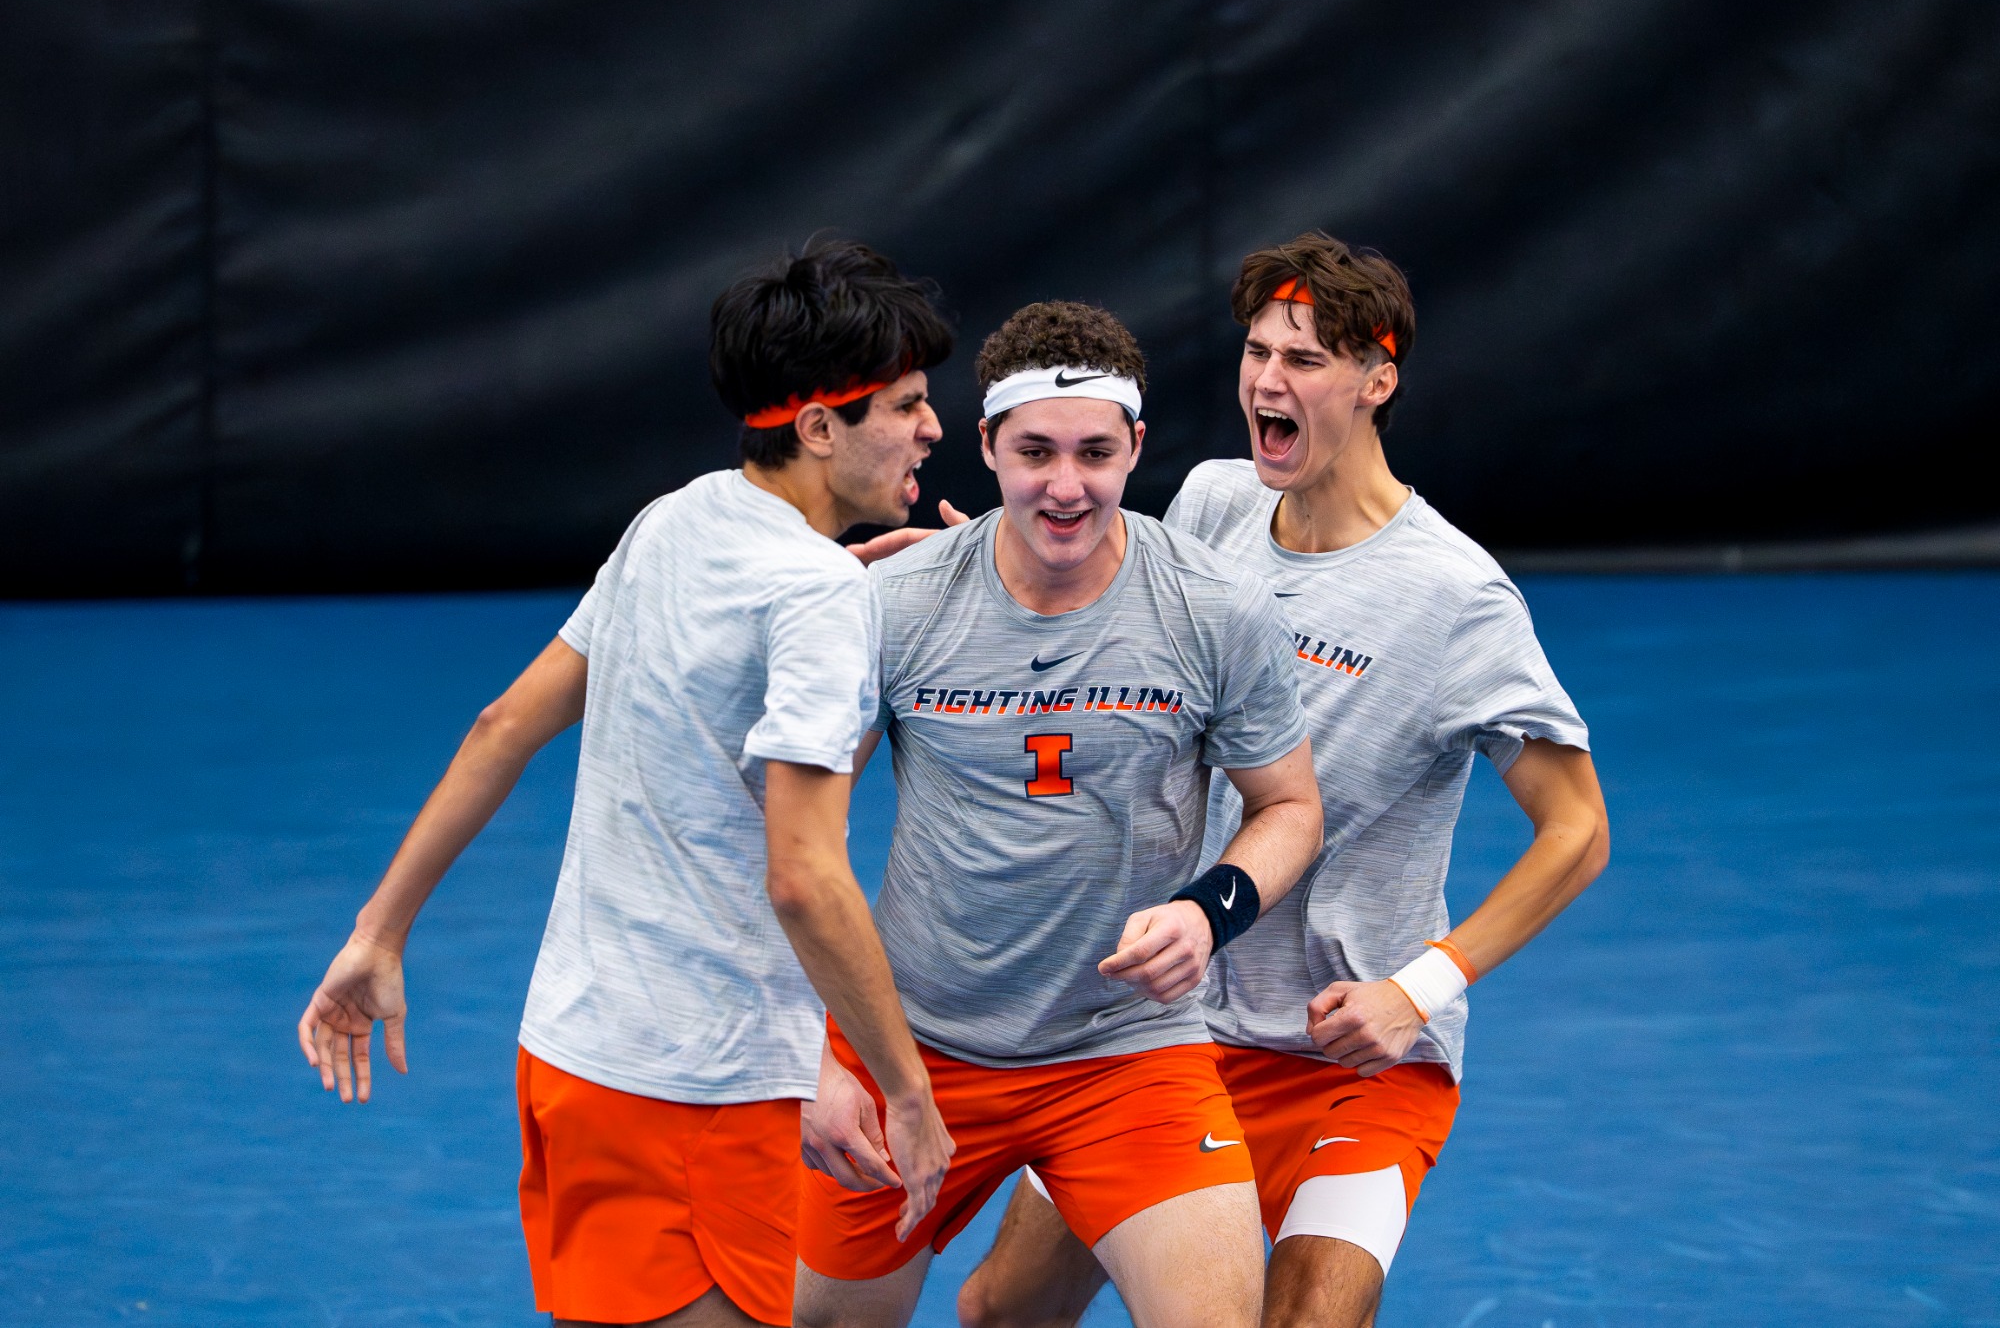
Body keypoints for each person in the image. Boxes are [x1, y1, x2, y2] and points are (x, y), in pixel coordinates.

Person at [296, 238, 960, 1328]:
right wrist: (904, 1083)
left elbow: (501, 724)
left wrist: (379, 930)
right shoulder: (811, 600)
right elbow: (804, 879)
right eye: (905, 404)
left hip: (571, 1057)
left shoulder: (676, 520)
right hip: (696, 1095)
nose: (932, 428)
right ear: (818, 427)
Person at [957, 234, 1612, 1328]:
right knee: (999, 1309)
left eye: (1304, 359)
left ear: (1375, 380)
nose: (1267, 378)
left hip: (1351, 1055)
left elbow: (1576, 831)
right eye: (1256, 350)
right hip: (1169, 1029)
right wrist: (972, 580)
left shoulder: (1456, 598)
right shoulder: (1213, 504)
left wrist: (1420, 989)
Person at [792, 302, 1325, 1328]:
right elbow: (792, 844)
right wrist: (814, 1060)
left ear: (1135, 445)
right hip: (909, 1050)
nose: (1065, 485)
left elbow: (1288, 807)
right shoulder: (895, 602)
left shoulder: (1215, 608)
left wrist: (1206, 911)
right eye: (1034, 450)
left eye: (1093, 451)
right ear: (985, 445)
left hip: (1128, 1055)